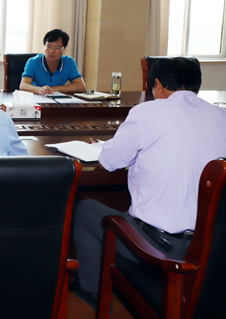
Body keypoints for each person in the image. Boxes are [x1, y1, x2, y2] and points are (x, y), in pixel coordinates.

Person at [73, 57, 226, 309]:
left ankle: (92, 292)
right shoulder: (221, 116)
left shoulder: (147, 112)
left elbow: (109, 161)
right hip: (213, 249)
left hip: (161, 247)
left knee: (85, 209)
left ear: (158, 84)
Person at [19, 29, 86, 95]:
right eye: (49, 46)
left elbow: (81, 86)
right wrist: (40, 90)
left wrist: (52, 89)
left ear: (64, 49)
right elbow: (23, 85)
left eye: (57, 48)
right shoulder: (33, 62)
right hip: (37, 99)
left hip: (59, 100)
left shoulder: (69, 62)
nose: (51, 51)